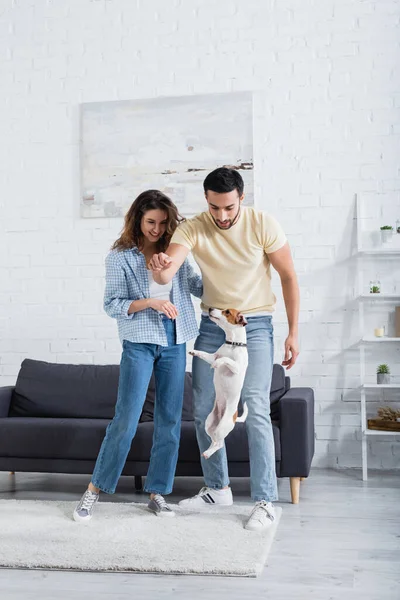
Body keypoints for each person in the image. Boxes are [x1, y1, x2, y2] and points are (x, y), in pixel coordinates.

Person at [148, 167, 299, 531]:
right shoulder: (194, 227)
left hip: (257, 324)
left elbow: (289, 276)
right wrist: (160, 266)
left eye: (229, 208)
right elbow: (167, 273)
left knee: (256, 405)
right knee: (203, 408)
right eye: (215, 208)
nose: (222, 216)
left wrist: (293, 332)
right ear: (207, 201)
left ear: (241, 198)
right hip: (213, 326)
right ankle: (218, 487)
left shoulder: (263, 224)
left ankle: (265, 500)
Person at [73, 190, 203, 522]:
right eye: (150, 222)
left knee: (170, 421)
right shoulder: (120, 257)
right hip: (139, 343)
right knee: (126, 419)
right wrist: (150, 302)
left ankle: (158, 492)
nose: (156, 230)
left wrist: (224, 267)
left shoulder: (176, 252)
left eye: (162, 223)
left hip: (175, 342)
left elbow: (196, 286)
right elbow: (112, 304)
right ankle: (94, 489)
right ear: (137, 220)